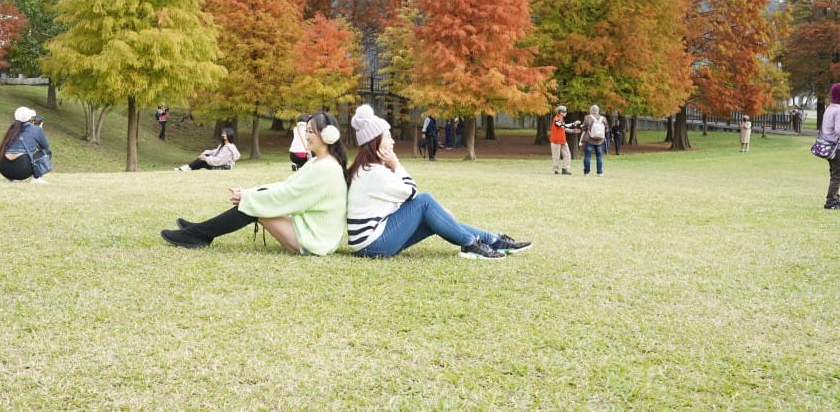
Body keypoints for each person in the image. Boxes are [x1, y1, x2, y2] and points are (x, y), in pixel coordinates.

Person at [346, 104, 530, 259]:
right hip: (374, 244)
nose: (393, 142)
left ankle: (491, 240)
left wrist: (439, 214)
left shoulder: (367, 169)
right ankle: (471, 244)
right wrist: (396, 164)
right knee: (425, 201)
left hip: (370, 242)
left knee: (436, 218)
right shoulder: (375, 172)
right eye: (388, 137)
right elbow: (412, 192)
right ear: (375, 143)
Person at [160, 111, 349, 254]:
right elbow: (286, 186)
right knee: (254, 202)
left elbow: (289, 196)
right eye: (306, 131)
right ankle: (199, 231)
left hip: (315, 240)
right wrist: (249, 192)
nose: (306, 136)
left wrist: (248, 197)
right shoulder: (318, 163)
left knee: (254, 206)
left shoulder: (326, 169)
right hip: (310, 231)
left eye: (311, 132)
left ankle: (199, 233)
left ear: (328, 135)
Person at [0, 106, 52, 184]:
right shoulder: (36, 129)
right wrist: (40, 130)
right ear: (30, 118)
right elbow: (45, 146)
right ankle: (36, 178)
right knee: (47, 152)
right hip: (22, 170)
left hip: (4, 169)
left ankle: (10, 179)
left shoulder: (11, 129)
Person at [174, 128, 241, 171]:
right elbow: (215, 152)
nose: (222, 135)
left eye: (224, 134)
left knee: (203, 161)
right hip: (219, 164)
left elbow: (219, 161)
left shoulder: (229, 148)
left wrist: (206, 158)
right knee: (202, 160)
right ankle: (188, 168)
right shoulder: (223, 145)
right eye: (223, 133)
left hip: (224, 167)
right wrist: (205, 153)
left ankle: (187, 167)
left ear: (228, 135)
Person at [549, 105, 581, 175]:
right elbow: (564, 126)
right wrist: (574, 123)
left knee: (567, 154)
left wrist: (573, 131)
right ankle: (556, 170)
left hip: (563, 140)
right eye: (564, 111)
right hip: (556, 141)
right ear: (560, 112)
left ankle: (565, 169)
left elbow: (564, 128)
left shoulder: (562, 119)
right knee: (556, 155)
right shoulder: (556, 119)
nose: (566, 113)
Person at [579, 105, 608, 176]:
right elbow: (607, 129)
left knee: (587, 156)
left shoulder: (588, 118)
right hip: (600, 141)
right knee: (599, 156)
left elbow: (584, 129)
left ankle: (587, 172)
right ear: (598, 111)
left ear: (591, 110)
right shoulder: (603, 118)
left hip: (589, 140)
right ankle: (600, 172)